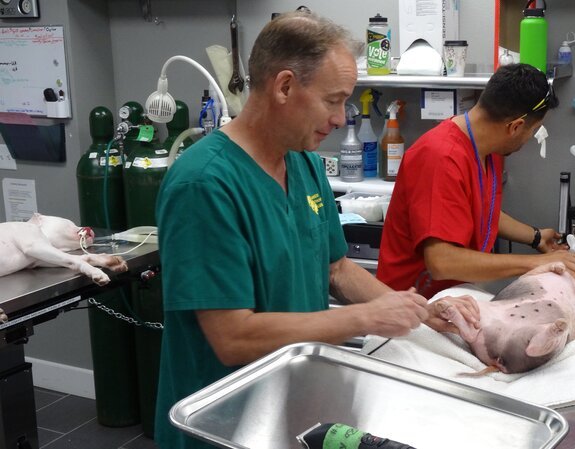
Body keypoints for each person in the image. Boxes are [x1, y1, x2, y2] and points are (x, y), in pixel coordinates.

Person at [153, 12, 476, 449]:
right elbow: (233, 337)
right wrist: (363, 319)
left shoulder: (302, 161)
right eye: (333, 100)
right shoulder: (205, 184)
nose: (342, 118)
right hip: (221, 425)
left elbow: (337, 269)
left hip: (289, 408)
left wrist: (418, 311)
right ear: (284, 86)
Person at [377, 63, 575, 299]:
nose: (530, 138)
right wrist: (540, 263)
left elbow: (477, 210)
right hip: (412, 307)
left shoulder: (488, 149)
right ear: (515, 126)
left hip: (455, 298)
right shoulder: (441, 158)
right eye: (534, 130)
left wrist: (535, 236)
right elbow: (441, 262)